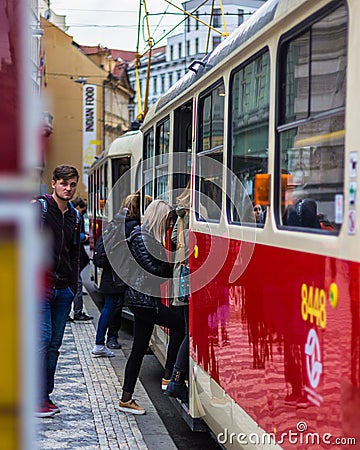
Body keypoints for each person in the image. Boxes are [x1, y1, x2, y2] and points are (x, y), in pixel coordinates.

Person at [119, 199, 185, 414]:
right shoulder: (142, 238)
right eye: (167, 221)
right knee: (181, 327)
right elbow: (156, 271)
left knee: (138, 349)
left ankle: (126, 399)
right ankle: (169, 377)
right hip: (144, 302)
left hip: (143, 301)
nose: (169, 226)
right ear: (159, 218)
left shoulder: (146, 237)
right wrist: (171, 255)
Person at [36, 164, 81, 417]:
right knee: (42, 341)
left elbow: (74, 255)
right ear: (53, 183)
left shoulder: (74, 216)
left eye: (72, 184)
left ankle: (44, 395)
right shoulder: (40, 210)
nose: (68, 188)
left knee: (54, 345)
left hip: (63, 290)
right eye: (64, 183)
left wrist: (73, 288)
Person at [91, 194, 142, 357]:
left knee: (110, 306)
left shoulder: (116, 221)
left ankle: (103, 341)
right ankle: (102, 342)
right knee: (113, 307)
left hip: (109, 271)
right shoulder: (131, 225)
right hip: (118, 274)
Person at [164, 185, 190, 401]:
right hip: (189, 278)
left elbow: (174, 239)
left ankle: (177, 377)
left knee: (184, 330)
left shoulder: (180, 213)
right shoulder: (194, 213)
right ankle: (177, 379)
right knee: (190, 333)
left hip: (180, 276)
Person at [70, 197, 93, 322]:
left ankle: (71, 313)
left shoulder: (69, 212)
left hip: (69, 256)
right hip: (71, 255)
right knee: (77, 284)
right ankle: (77, 313)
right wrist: (83, 236)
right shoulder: (73, 214)